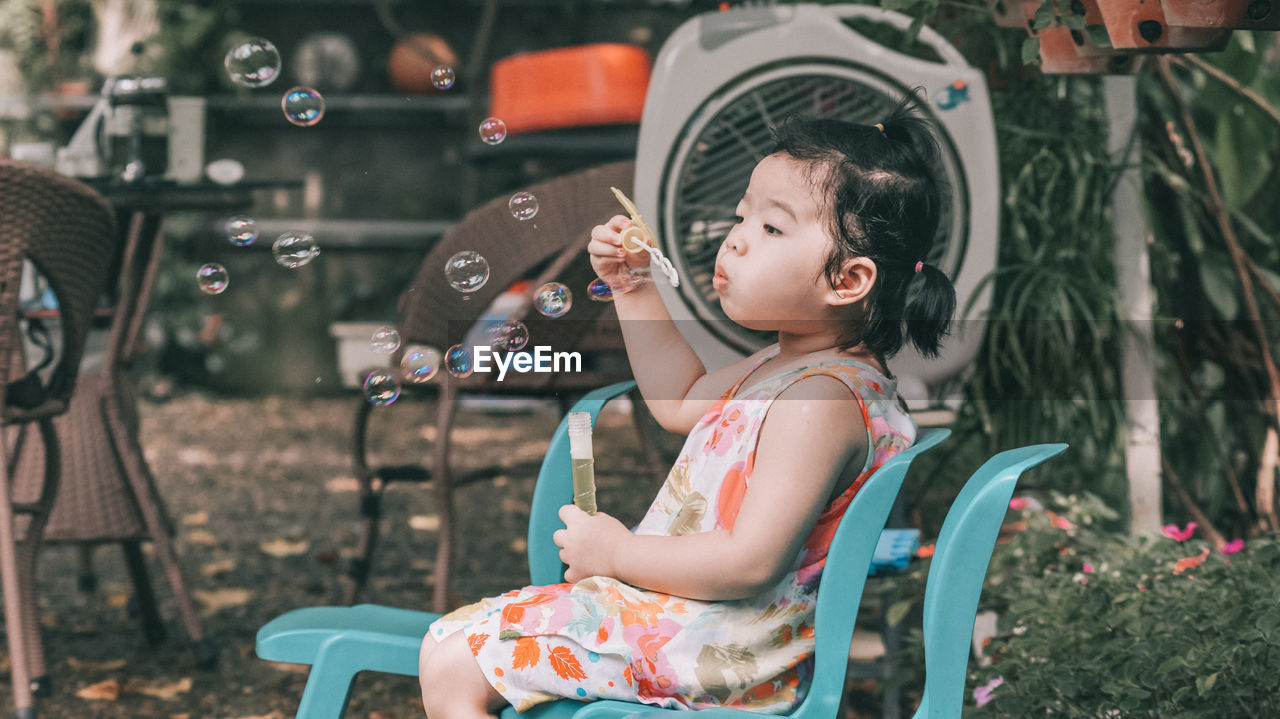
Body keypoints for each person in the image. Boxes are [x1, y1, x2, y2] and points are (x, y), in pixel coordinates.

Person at [418, 89, 957, 719]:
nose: (736, 242)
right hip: (696, 627)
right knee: (455, 641)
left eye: (771, 227)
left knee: (455, 656)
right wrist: (634, 286)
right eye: (740, 217)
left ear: (848, 280)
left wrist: (616, 555)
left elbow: (750, 561)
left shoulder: (819, 400)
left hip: (719, 650)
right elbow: (681, 402)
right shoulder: (791, 367)